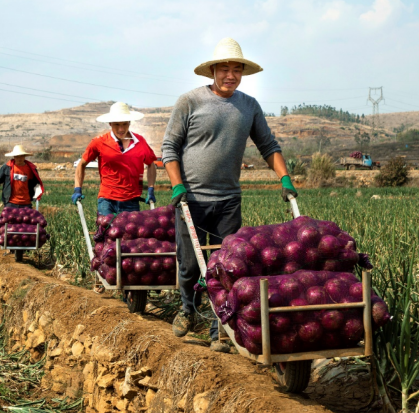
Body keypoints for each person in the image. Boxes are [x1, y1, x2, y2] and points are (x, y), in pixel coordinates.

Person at [162, 37, 298, 353]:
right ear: (212, 70)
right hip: (190, 199)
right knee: (189, 267)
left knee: (226, 267)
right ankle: (187, 307)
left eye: (237, 69)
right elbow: (169, 147)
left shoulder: (248, 106)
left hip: (228, 201)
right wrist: (177, 185)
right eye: (224, 69)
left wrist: (285, 178)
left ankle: (218, 330)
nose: (230, 75)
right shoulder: (190, 101)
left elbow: (269, 146)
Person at [72, 102, 157, 215]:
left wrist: (151, 189)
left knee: (130, 232)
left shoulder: (140, 142)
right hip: (107, 200)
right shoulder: (99, 142)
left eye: (124, 124)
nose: (121, 129)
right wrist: (77, 188)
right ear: (110, 123)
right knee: (106, 232)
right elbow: (81, 164)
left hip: (131, 201)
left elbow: (151, 163)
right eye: (117, 124)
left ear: (129, 123)